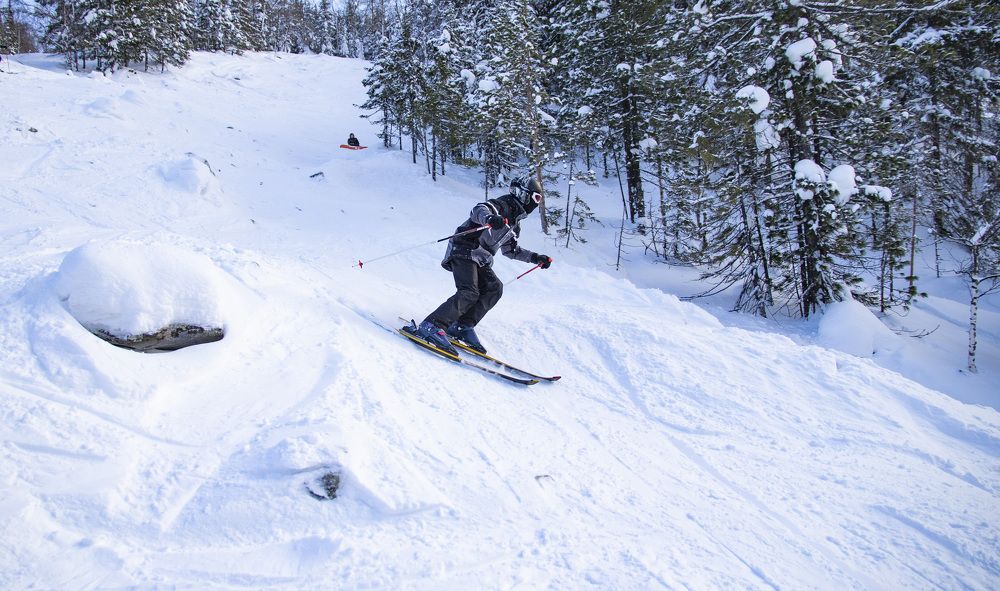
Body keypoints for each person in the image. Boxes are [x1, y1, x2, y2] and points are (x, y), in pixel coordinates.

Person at [409, 176, 552, 355]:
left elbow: (511, 250)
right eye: (536, 198)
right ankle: (432, 325)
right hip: (464, 247)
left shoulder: (515, 223)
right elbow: (479, 209)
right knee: (469, 292)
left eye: (539, 199)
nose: (536, 203)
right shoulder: (503, 205)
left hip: (479, 258)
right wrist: (490, 218)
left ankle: (462, 325)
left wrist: (535, 257)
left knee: (495, 287)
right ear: (523, 193)